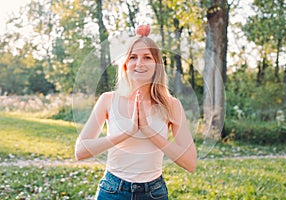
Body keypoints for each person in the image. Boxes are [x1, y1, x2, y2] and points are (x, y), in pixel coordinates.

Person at [74, 25, 197, 200]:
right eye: (133, 57)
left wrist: (148, 131)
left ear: (156, 65)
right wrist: (127, 132)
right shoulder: (108, 100)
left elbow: (190, 163)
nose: (139, 63)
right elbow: (80, 151)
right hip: (112, 190)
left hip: (154, 192)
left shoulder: (171, 105)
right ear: (125, 65)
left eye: (147, 57)